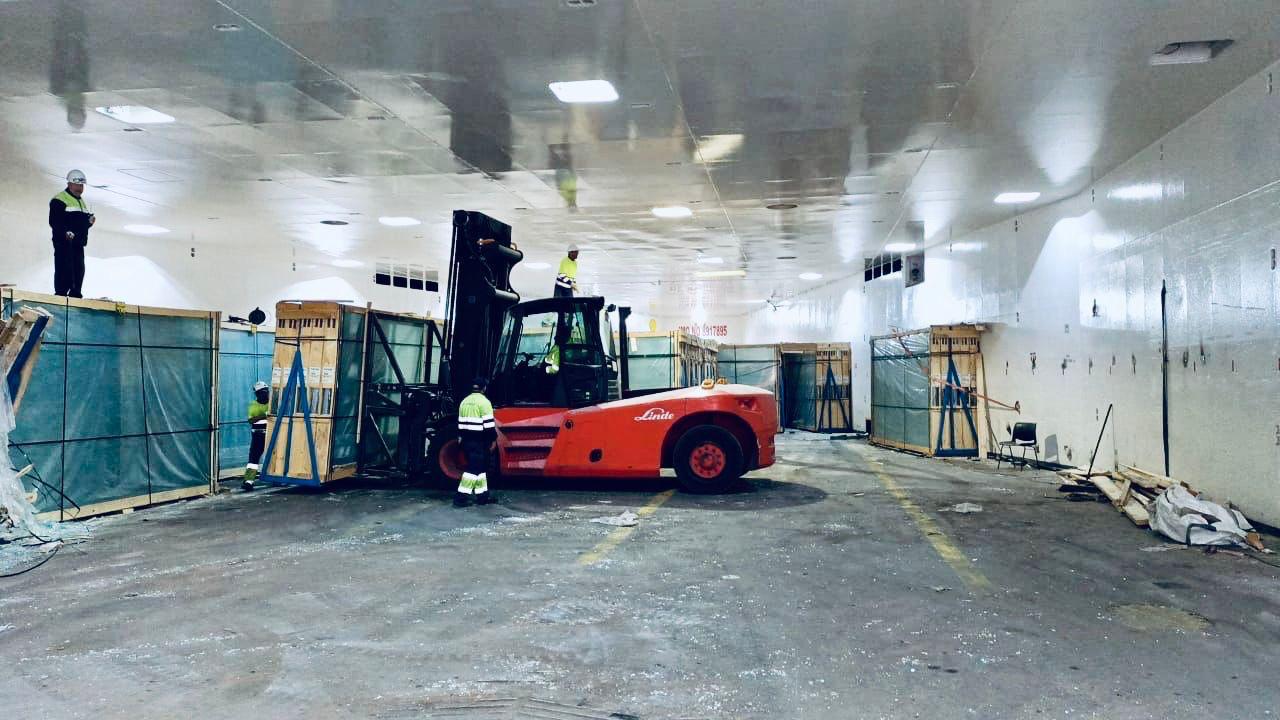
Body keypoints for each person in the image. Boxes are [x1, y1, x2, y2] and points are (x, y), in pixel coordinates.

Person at [49, 169, 94, 297]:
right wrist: (65, 233)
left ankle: (75, 294)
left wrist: (89, 222)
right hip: (64, 242)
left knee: (78, 270)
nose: (80, 188)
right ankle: (61, 294)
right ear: (69, 184)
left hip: (78, 243)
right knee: (64, 268)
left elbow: (79, 224)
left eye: (81, 185)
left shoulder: (81, 201)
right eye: (77, 185)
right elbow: (55, 221)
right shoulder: (59, 199)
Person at [455, 377, 497, 507]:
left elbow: (460, 425)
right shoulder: (484, 402)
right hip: (479, 441)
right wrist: (493, 439)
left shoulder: (464, 401)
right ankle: (460, 498)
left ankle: (482, 496)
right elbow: (489, 426)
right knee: (473, 470)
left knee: (480, 469)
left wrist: (461, 438)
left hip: (466, 441)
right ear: (484, 388)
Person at [242, 381, 270, 491]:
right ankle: (249, 481)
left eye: (266, 392)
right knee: (254, 458)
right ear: (257, 394)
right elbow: (251, 420)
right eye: (262, 392)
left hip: (271, 434)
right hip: (258, 435)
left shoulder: (272, 403)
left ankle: (276, 477)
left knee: (275, 455)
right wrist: (264, 416)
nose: (265, 394)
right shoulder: (253, 405)